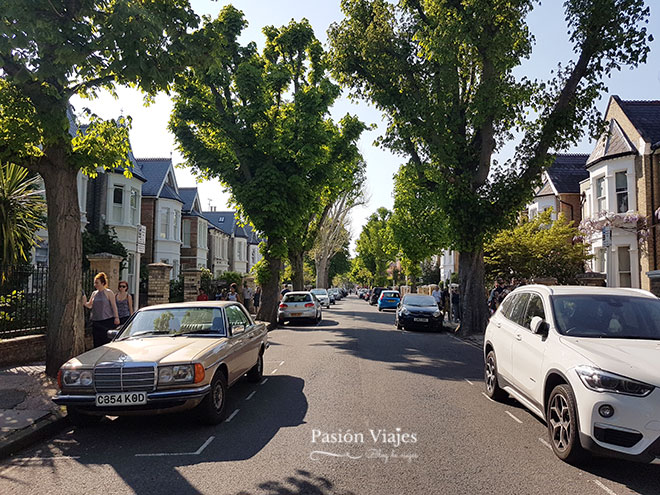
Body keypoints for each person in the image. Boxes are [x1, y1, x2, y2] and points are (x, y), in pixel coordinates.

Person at [83, 272, 120, 348]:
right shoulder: (94, 293)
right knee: (97, 342)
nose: (95, 285)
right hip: (96, 321)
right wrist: (83, 298)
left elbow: (114, 306)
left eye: (97, 283)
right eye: (94, 283)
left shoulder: (109, 293)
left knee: (106, 341)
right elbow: (89, 305)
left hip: (107, 321)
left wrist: (116, 317)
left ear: (103, 283)